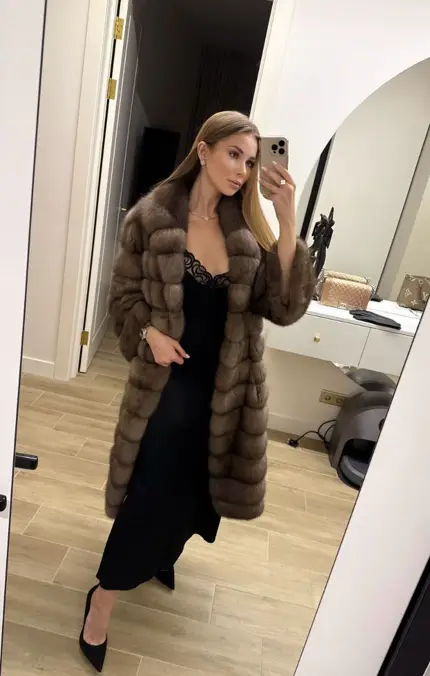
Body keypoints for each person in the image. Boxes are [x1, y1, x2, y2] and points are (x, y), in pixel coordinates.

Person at [79, 110, 315, 672]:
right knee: (151, 495)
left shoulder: (248, 232)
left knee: (198, 493)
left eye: (251, 161)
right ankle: (102, 599)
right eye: (234, 154)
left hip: (226, 392)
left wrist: (286, 219)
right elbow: (122, 300)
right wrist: (148, 333)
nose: (242, 170)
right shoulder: (151, 219)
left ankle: (164, 553)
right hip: (167, 390)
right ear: (204, 151)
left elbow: (283, 308)